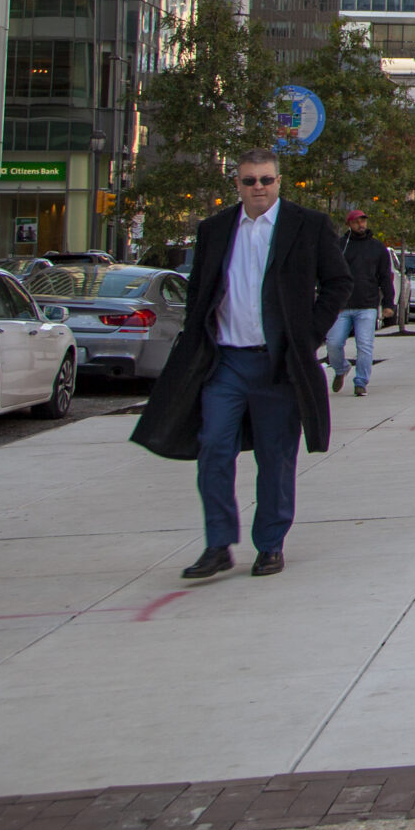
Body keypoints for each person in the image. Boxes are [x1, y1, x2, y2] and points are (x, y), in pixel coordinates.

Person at [132, 148, 353, 580]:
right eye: (250, 181)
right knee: (213, 447)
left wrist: (306, 336)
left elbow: (338, 282)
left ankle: (270, 544)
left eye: (266, 180)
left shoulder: (306, 225)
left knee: (275, 457)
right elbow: (201, 290)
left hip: (277, 365)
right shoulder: (215, 229)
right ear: (237, 184)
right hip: (225, 363)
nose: (258, 188)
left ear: (278, 181)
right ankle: (218, 544)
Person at [327, 208, 395, 397]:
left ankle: (361, 382)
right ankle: (341, 369)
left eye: (363, 221)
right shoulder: (340, 246)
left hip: (367, 305)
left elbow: (384, 278)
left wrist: (389, 304)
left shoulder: (377, 248)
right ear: (349, 224)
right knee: (333, 343)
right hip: (342, 306)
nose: (361, 224)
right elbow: (328, 274)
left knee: (364, 345)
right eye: (356, 221)